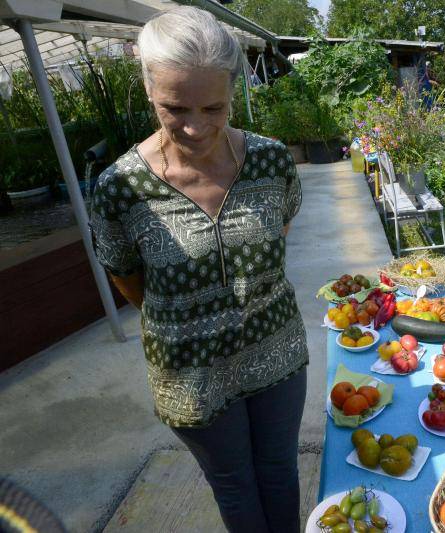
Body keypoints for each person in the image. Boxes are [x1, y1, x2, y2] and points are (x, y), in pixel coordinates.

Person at [88, 7, 309, 532]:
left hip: (275, 348)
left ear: (234, 91)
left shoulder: (271, 161)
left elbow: (277, 234)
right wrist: (186, 319)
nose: (195, 126)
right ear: (148, 91)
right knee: (234, 484)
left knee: (279, 471)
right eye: (175, 107)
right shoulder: (121, 188)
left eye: (214, 106)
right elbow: (124, 274)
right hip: (191, 373)